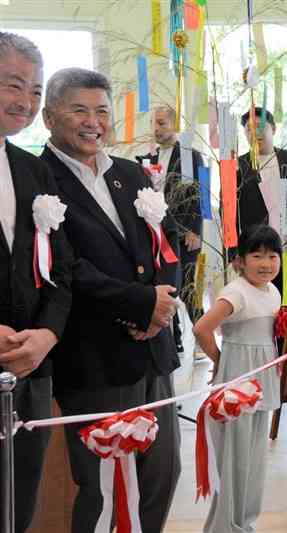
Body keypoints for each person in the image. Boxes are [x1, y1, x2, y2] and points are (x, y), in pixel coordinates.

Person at [40, 68, 181, 533]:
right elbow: (66, 269)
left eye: (101, 111)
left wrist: (160, 307)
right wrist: (141, 304)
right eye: (78, 109)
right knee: (102, 488)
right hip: (95, 356)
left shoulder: (131, 172)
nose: (93, 121)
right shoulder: (37, 180)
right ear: (49, 117)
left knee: (162, 472)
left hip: (152, 352)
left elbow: (168, 243)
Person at [0, 32, 73, 533]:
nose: (26, 101)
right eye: (13, 85)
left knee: (18, 503)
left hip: (31, 369)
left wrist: (47, 334)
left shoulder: (33, 171)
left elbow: (61, 268)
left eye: (35, 90)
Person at [193, 223, 283, 532]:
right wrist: (221, 361)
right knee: (234, 460)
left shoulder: (272, 290)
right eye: (257, 256)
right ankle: (225, 526)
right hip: (238, 382)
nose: (266, 263)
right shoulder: (236, 292)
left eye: (273, 256)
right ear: (239, 261)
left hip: (263, 376)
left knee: (254, 460)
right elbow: (201, 328)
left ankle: (244, 522)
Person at [135, 105, 205, 355]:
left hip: (186, 234)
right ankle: (173, 339)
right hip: (157, 233)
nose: (156, 128)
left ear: (174, 124)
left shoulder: (190, 155)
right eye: (154, 122)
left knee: (186, 287)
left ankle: (202, 336)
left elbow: (199, 195)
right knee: (164, 285)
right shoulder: (147, 158)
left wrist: (194, 230)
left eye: (162, 123)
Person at [236, 107, 287, 297]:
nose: (255, 133)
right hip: (256, 251)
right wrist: (233, 254)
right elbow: (229, 212)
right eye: (248, 129)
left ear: (273, 128)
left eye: (260, 127)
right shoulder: (238, 166)